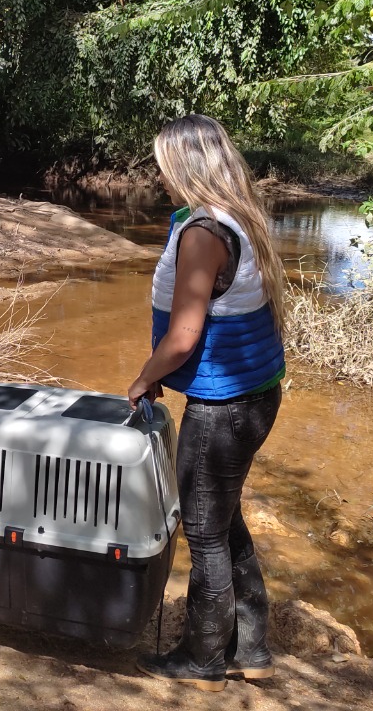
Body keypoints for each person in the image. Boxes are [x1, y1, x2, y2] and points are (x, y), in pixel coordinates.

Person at [126, 114, 287, 692]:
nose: (161, 175)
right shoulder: (236, 215)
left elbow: (184, 336)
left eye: (164, 164)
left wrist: (144, 378)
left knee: (204, 529)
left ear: (185, 164)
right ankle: (253, 648)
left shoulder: (202, 232)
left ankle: (202, 659)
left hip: (225, 406)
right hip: (256, 393)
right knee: (223, 516)